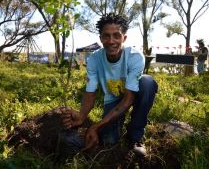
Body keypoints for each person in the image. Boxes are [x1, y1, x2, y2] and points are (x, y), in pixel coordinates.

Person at [60, 13, 158, 157]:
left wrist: (96, 126)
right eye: (106, 36)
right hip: (113, 99)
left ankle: (135, 135)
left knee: (147, 82)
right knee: (109, 140)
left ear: (124, 38)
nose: (111, 41)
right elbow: (90, 92)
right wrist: (81, 116)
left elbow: (128, 99)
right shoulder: (94, 59)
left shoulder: (135, 57)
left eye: (116, 36)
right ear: (101, 38)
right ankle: (116, 124)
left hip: (132, 94)